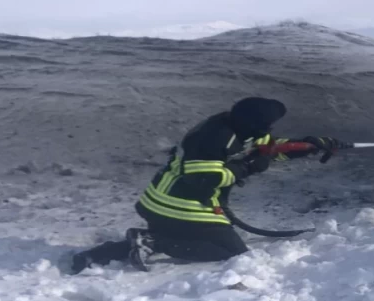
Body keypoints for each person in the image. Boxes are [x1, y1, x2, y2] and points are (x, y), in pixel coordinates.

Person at [71, 97, 348, 274]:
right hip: (180, 204)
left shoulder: (241, 127)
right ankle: (153, 241)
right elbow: (205, 179)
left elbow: (268, 148)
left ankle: (105, 254)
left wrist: (309, 145)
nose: (270, 130)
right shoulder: (215, 138)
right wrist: (249, 167)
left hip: (165, 202)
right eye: (269, 125)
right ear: (256, 123)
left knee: (185, 239)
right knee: (230, 251)